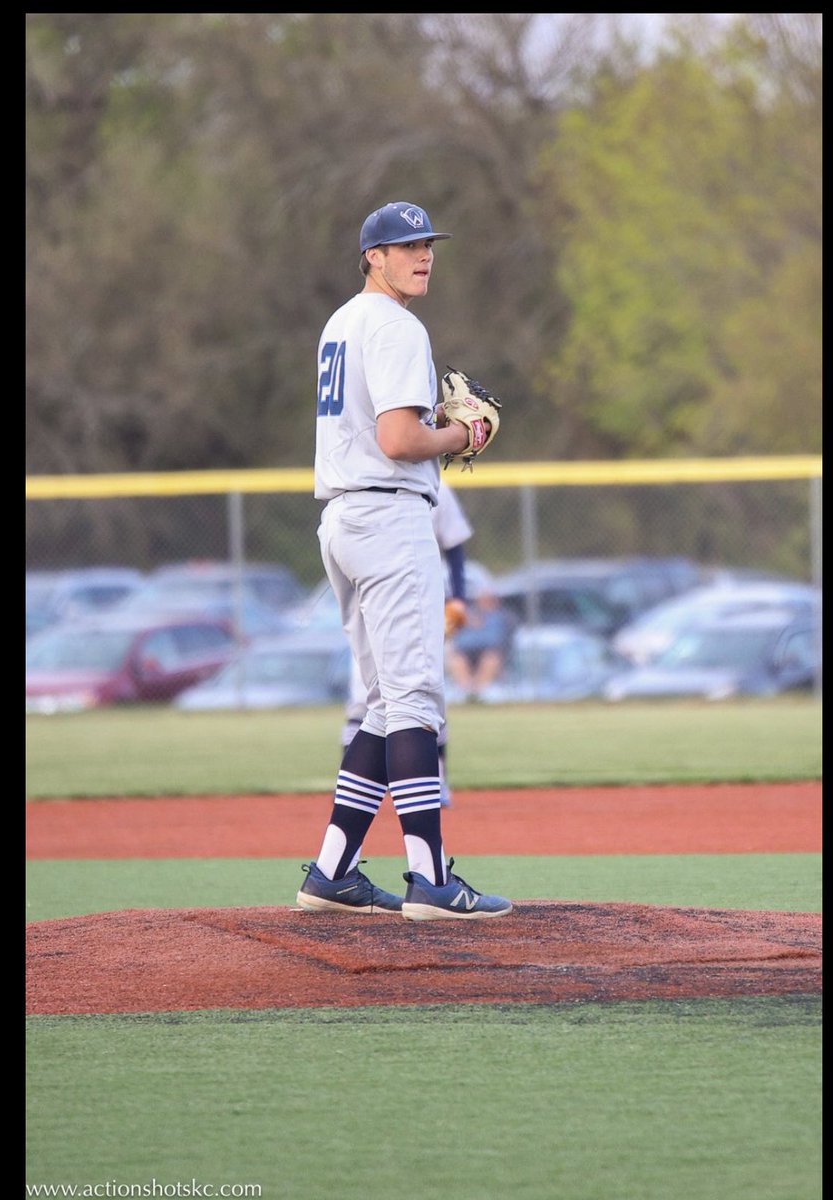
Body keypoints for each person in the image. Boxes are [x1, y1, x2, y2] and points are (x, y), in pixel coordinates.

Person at [296, 200, 512, 920]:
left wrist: (436, 426)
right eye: (406, 245)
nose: (422, 255)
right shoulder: (396, 325)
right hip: (388, 518)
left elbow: (380, 431)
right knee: (415, 699)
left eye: (427, 244)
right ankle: (432, 880)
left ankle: (332, 872)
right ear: (373, 256)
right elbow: (398, 440)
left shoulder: (341, 322)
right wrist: (459, 434)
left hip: (345, 521)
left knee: (385, 703)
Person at [340, 479, 472, 807]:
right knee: (363, 697)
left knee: (426, 694)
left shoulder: (436, 485)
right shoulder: (356, 483)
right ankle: (350, 782)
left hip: (421, 600)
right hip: (372, 603)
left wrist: (459, 597)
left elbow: (454, 544)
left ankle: (436, 779)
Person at [446, 587, 516, 703]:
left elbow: (496, 639)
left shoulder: (502, 617)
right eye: (483, 598)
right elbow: (460, 640)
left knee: (491, 659)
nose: (486, 601)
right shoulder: (467, 615)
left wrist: (478, 631)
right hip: (466, 652)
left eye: (489, 598)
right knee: (457, 660)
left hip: (490, 651)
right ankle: (467, 693)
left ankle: (480, 692)